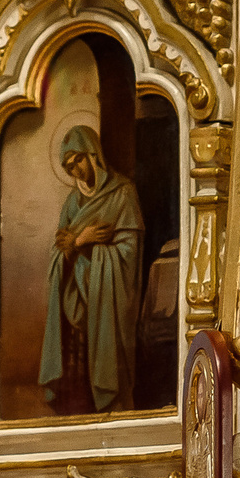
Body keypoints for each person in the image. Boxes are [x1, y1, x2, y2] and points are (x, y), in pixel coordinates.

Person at [40, 124, 143, 415]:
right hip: (77, 305)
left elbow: (130, 250)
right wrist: (79, 241)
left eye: (78, 160)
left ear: (93, 154)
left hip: (108, 301)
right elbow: (58, 255)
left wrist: (93, 253)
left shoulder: (122, 193)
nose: (75, 170)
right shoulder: (72, 203)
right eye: (69, 166)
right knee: (79, 378)